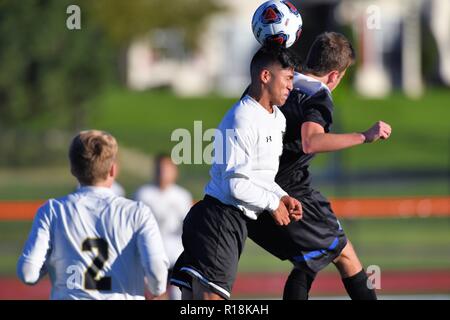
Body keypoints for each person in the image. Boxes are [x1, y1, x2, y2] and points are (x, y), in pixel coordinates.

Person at [247, 32, 392, 300]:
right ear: (335, 75)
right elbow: (311, 141)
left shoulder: (285, 80)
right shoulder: (317, 95)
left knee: (310, 260)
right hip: (290, 193)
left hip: (253, 186)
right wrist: (364, 136)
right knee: (345, 255)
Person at [170, 45, 303, 300]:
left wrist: (281, 195)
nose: (291, 86)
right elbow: (235, 186)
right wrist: (272, 203)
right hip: (218, 220)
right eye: (287, 78)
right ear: (265, 77)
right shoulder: (242, 118)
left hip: (226, 222)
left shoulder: (278, 119)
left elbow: (259, 176)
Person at [17, 130, 169, 300]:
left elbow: (28, 273)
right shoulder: (137, 213)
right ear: (112, 170)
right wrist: (157, 290)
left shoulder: (52, 210)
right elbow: (157, 273)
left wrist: (49, 263)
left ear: (73, 169)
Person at [134, 154, 193, 300]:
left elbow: (190, 229)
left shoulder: (182, 196)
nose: (163, 172)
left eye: (167, 168)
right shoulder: (143, 194)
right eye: (160, 168)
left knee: (178, 295)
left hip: (176, 257)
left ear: (175, 171)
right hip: (152, 255)